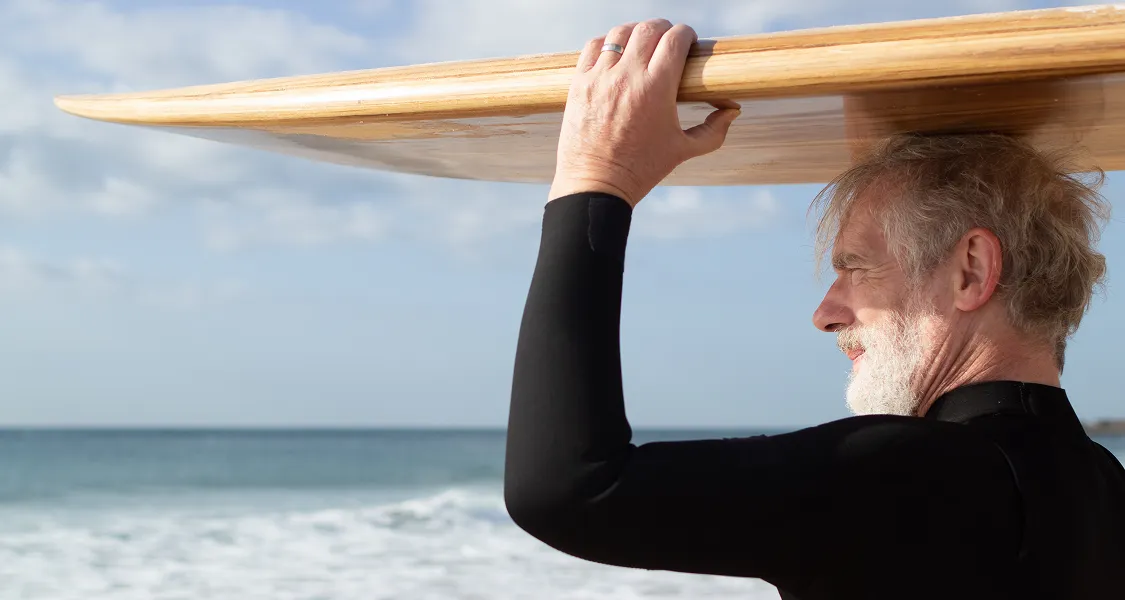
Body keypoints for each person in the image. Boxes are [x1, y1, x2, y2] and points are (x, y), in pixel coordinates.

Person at [502, 18, 1125, 600]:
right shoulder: (1104, 491)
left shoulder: (912, 474)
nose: (825, 313)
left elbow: (566, 488)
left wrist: (596, 179)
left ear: (971, 271)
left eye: (854, 267)